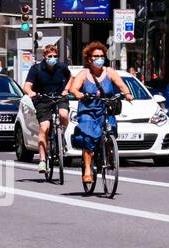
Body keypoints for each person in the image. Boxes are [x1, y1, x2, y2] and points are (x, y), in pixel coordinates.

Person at [66, 41, 133, 185]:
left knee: (111, 131)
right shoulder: (84, 73)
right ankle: (88, 170)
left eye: (102, 56)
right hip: (88, 111)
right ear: (89, 59)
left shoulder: (109, 72)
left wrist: (127, 94)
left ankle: (108, 153)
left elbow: (121, 84)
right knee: (88, 140)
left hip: (105, 109)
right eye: (96, 56)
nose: (99, 59)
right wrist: (78, 94)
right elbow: (73, 89)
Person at [23, 43, 72, 174]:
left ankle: (61, 137)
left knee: (63, 115)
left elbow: (70, 77)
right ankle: (43, 160)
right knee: (44, 127)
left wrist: (66, 89)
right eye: (50, 56)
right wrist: (31, 93)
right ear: (44, 56)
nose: (53, 58)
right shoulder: (36, 69)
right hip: (42, 99)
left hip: (59, 97)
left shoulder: (62, 67)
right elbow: (27, 86)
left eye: (55, 56)